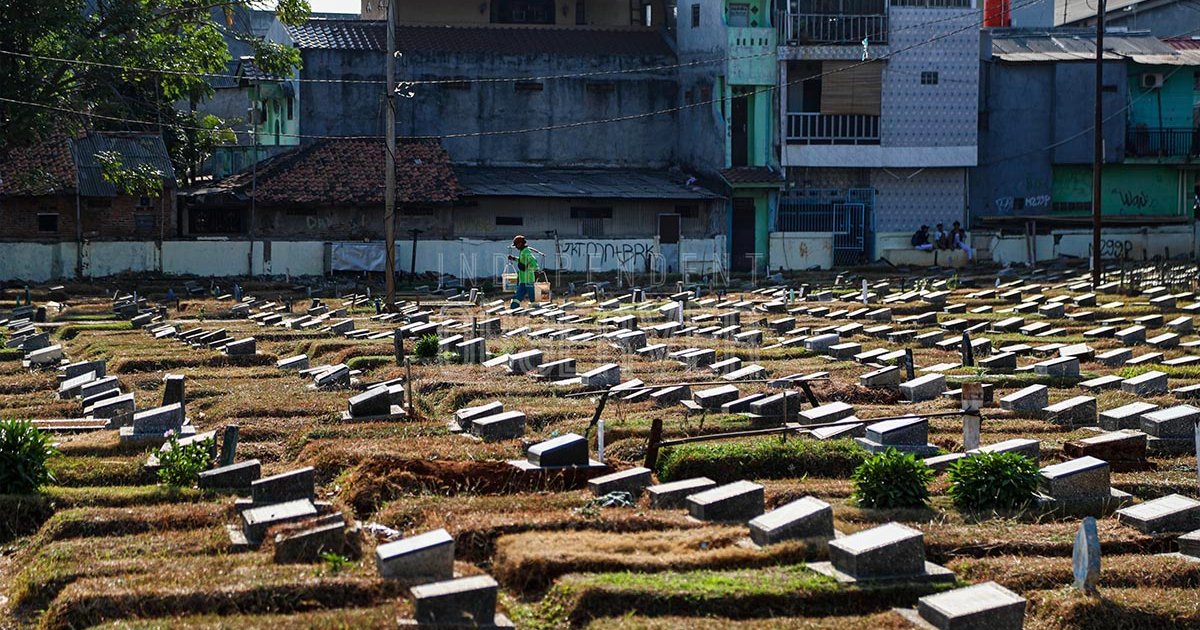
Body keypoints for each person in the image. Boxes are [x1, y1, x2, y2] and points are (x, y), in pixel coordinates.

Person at [508, 234, 539, 309]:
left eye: (516, 245)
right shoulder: (523, 252)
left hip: (529, 279)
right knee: (518, 296)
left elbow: (534, 262)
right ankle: (513, 308)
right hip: (523, 280)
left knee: (532, 297)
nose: (515, 247)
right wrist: (514, 258)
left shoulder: (526, 251)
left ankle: (536, 311)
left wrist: (534, 270)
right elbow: (522, 260)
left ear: (520, 243)